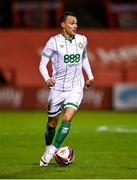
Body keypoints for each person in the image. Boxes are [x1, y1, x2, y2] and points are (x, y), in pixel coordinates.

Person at [39, 11, 94, 166]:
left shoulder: (82, 40)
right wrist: (47, 78)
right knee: (52, 124)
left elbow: (84, 58)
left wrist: (90, 76)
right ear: (63, 24)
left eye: (76, 23)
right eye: (71, 23)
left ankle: (49, 154)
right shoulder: (53, 42)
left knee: (68, 117)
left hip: (76, 87)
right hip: (57, 89)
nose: (75, 26)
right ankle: (48, 147)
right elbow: (42, 64)